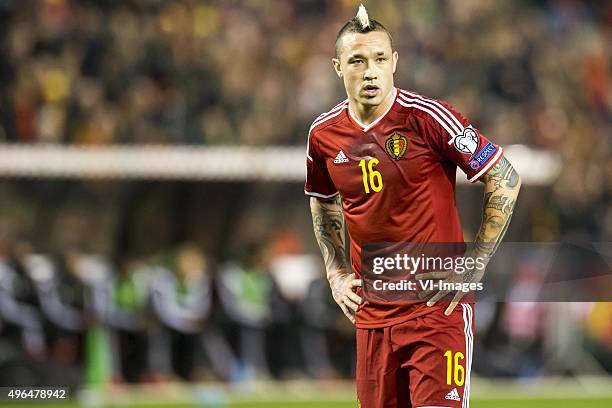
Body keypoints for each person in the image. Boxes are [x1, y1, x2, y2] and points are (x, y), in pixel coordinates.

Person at [305, 5, 521, 407]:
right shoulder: (323, 134)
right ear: (338, 67)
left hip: (437, 309)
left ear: (395, 63)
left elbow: (505, 177)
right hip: (373, 314)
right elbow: (322, 200)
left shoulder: (428, 118)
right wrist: (335, 271)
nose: (370, 71)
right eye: (357, 61)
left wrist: (476, 262)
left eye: (380, 59)